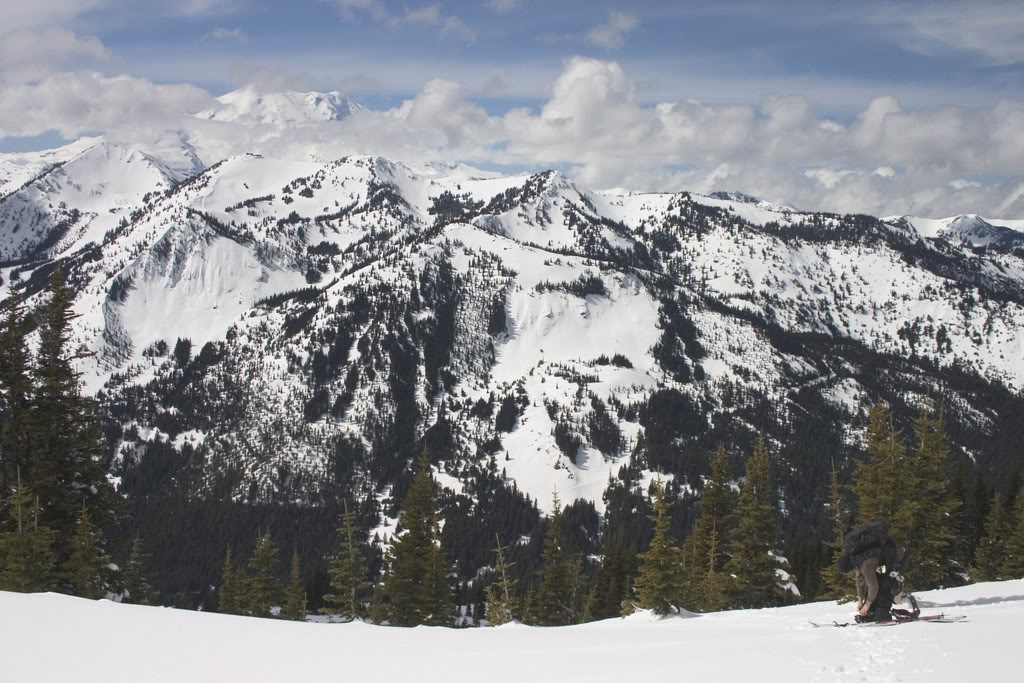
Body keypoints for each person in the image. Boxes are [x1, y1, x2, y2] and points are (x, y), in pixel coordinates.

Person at [836, 522, 916, 623]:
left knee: (885, 588)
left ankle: (883, 616)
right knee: (873, 588)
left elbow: (873, 586)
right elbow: (860, 580)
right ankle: (872, 614)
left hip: (898, 559)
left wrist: (867, 604)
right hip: (888, 560)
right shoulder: (855, 556)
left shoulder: (865, 564)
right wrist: (860, 600)